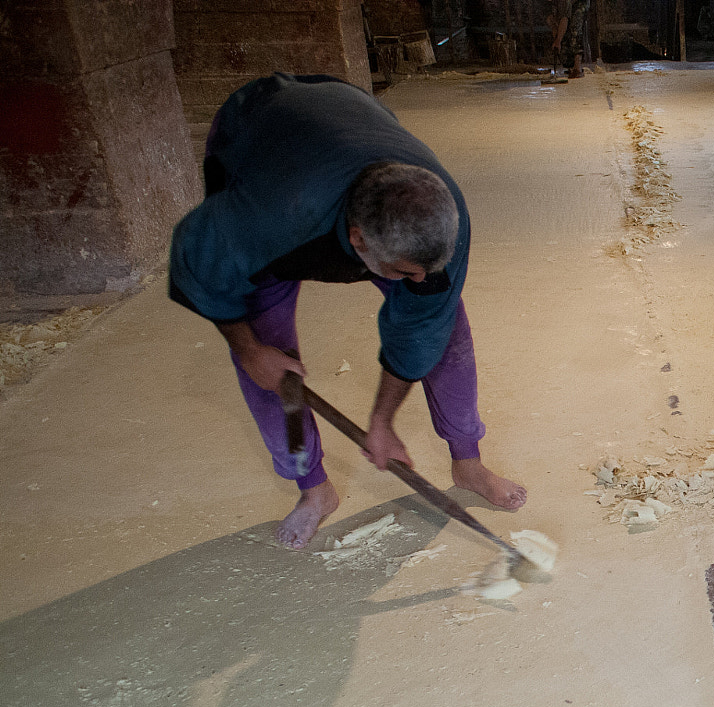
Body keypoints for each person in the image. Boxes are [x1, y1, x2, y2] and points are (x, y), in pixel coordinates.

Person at [170, 73, 525, 550]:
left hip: (348, 119)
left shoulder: (443, 212)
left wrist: (382, 423)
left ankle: (468, 461)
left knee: (444, 329)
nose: (419, 282)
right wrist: (249, 347)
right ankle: (314, 490)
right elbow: (204, 263)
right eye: (404, 272)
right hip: (260, 142)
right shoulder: (268, 218)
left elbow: (419, 331)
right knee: (268, 364)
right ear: (359, 241)